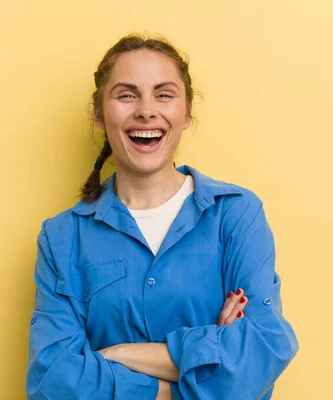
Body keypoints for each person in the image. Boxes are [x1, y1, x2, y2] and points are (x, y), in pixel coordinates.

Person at [26, 34, 298, 400]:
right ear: (99, 113)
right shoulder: (61, 238)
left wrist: (117, 356)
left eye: (164, 94)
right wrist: (189, 377)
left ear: (186, 114)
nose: (146, 110)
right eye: (126, 94)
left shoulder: (236, 215)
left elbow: (262, 350)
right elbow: (55, 381)